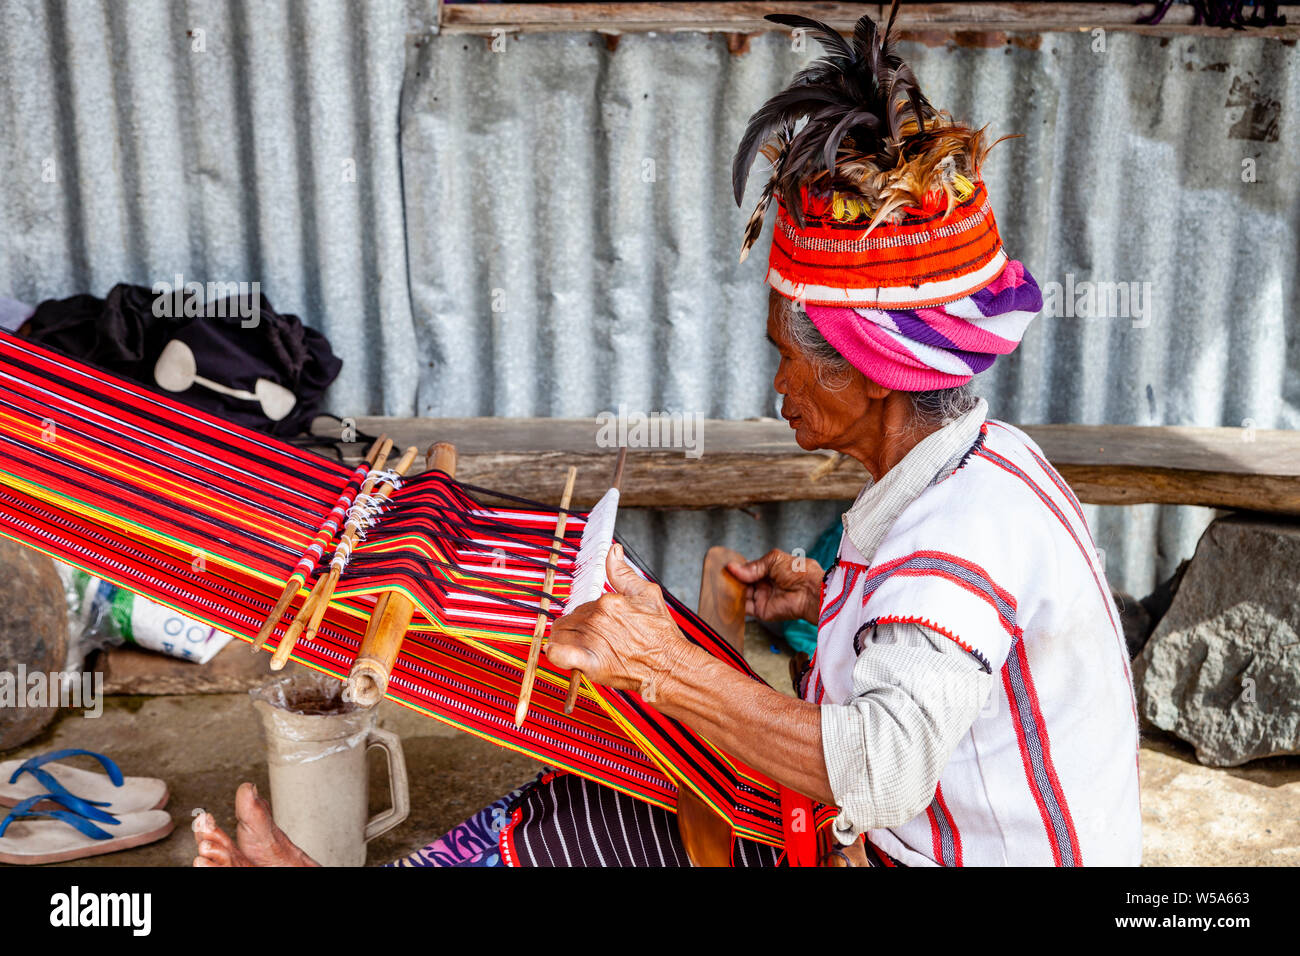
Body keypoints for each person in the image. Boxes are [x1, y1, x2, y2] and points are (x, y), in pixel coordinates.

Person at [194, 5, 1141, 867]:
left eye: (788, 354)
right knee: (591, 792)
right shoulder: (990, 463)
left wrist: (666, 663)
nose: (777, 382)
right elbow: (947, 657)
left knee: (608, 827)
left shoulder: (954, 539)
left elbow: (885, 772)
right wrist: (833, 603)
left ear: (859, 363)